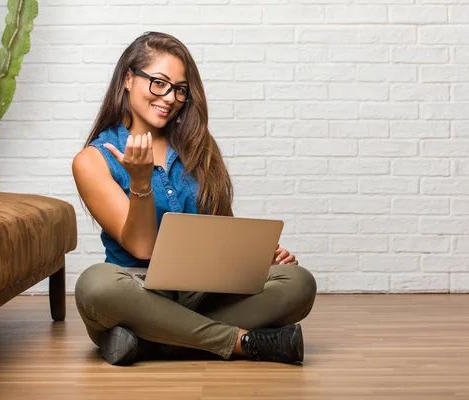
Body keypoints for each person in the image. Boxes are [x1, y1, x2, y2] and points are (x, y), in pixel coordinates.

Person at [71, 31, 317, 366]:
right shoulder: (92, 160)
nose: (170, 97)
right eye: (159, 83)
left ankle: (151, 341)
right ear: (128, 78)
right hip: (135, 292)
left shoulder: (198, 147)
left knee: (298, 283)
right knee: (95, 285)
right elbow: (141, 248)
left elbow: (222, 232)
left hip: (202, 293)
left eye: (180, 89)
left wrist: (260, 259)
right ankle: (242, 342)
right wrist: (140, 181)